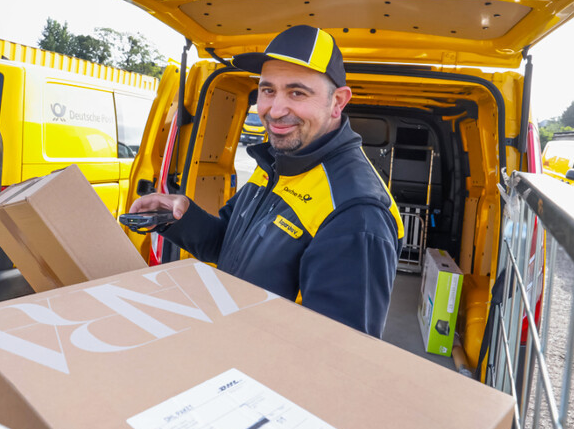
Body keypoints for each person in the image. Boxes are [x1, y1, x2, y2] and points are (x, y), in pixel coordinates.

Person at [128, 25, 403, 337]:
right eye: (268, 90)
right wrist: (181, 215)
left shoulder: (356, 212)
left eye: (297, 92)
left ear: (337, 102)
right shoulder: (277, 163)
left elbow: (337, 355)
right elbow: (228, 245)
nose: (275, 109)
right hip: (233, 344)